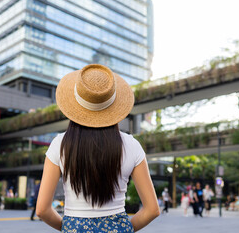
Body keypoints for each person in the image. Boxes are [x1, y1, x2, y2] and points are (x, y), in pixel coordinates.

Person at [36, 64, 160, 232]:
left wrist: (68, 227)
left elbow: (42, 210)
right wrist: (122, 229)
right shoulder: (132, 145)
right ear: (114, 105)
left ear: (75, 105)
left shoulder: (59, 145)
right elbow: (152, 209)